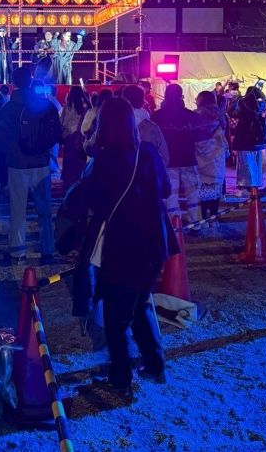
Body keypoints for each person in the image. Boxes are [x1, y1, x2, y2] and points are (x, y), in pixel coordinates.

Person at [62, 98, 173, 397]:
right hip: (154, 244)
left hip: (122, 247)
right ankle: (155, 364)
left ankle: (121, 378)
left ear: (103, 125)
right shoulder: (148, 153)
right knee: (138, 305)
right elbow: (165, 189)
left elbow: (93, 202)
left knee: (116, 317)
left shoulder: (103, 160)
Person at [0, 66, 62, 264]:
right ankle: (48, 249)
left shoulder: (8, 108)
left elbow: (2, 138)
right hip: (41, 162)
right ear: (31, 80)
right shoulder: (45, 105)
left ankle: (17, 250)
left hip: (17, 164)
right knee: (44, 209)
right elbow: (57, 132)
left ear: (13, 82)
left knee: (18, 209)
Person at [152, 84, 200, 224]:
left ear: (165, 96)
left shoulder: (157, 116)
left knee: (171, 194)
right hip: (188, 158)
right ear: (181, 95)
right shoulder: (192, 116)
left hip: (168, 160)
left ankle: (174, 223)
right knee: (193, 192)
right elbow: (199, 137)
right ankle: (195, 222)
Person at [193, 91, 228, 226]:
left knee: (203, 185)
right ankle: (214, 217)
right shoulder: (220, 115)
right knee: (215, 184)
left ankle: (203, 217)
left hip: (200, 153)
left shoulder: (195, 115)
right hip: (217, 153)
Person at [230, 87, 266, 194]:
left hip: (244, 140)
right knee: (256, 165)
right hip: (258, 139)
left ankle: (246, 187)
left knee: (245, 165)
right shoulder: (262, 104)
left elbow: (231, 112)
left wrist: (237, 99)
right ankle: (254, 186)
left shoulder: (243, 105)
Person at [123, 85, 170, 168]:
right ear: (142, 101)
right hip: (146, 173)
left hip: (121, 172)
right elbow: (163, 157)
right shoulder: (152, 127)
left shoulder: (113, 123)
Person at [60, 86, 91, 190]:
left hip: (69, 138)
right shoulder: (86, 107)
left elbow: (62, 122)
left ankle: (67, 188)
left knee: (68, 164)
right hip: (81, 138)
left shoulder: (67, 107)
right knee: (79, 164)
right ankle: (78, 187)